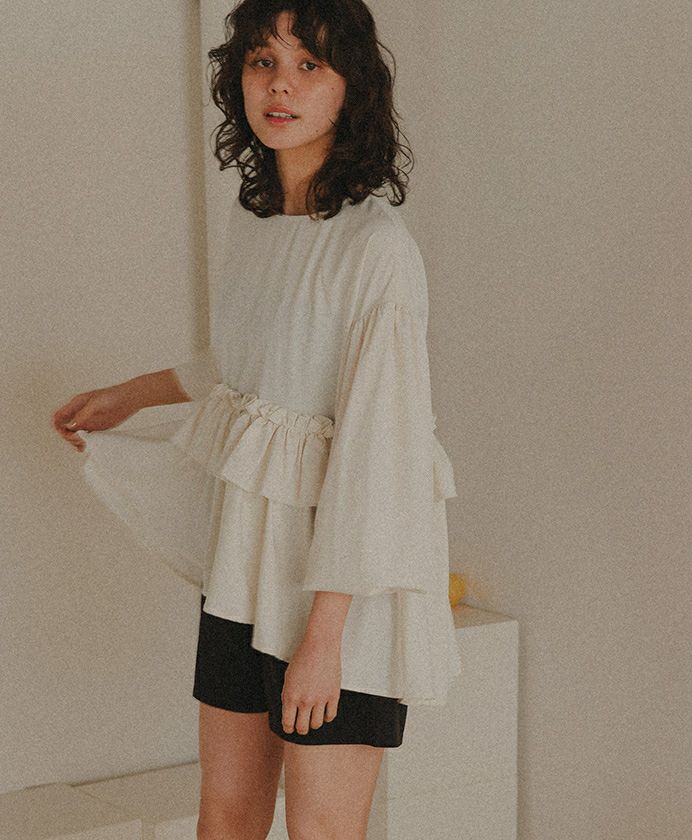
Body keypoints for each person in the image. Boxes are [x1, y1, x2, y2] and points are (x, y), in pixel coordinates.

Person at [52, 1, 461, 838]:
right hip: (247, 567)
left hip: (345, 590)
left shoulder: (376, 251)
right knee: (226, 818)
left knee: (321, 831)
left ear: (352, 89)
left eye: (309, 65)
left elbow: (377, 455)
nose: (281, 85)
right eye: (262, 61)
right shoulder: (255, 219)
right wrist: (133, 393)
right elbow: (255, 365)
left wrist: (325, 637)